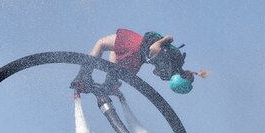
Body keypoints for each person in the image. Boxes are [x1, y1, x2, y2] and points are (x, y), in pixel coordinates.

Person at [73, 29, 208, 99]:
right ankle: (110, 83)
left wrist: (166, 39)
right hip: (138, 60)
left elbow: (153, 48)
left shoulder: (173, 63)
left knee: (101, 44)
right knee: (115, 51)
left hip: (135, 46)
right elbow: (155, 71)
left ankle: (83, 77)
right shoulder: (169, 72)